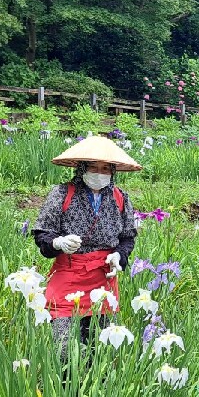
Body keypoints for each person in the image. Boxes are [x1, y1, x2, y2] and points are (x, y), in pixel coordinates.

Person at [33, 136, 140, 357]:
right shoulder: (62, 194)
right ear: (81, 168)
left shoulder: (120, 198)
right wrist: (58, 243)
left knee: (102, 347)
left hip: (104, 277)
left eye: (105, 169)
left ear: (112, 172)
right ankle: (65, 389)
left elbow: (127, 237)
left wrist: (119, 256)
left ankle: (96, 390)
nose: (99, 173)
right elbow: (42, 235)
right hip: (69, 273)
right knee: (64, 348)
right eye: (93, 167)